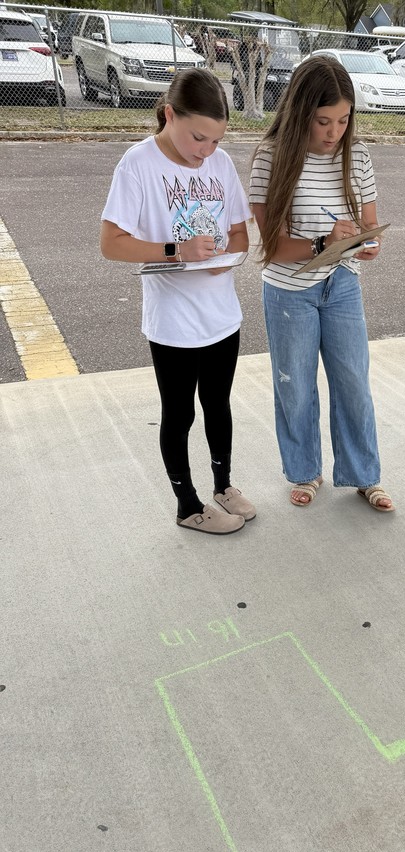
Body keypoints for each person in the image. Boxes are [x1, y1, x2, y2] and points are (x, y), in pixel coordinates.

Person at [100, 68, 256, 535]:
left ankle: (222, 486)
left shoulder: (220, 163)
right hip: (173, 323)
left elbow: (239, 233)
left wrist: (224, 257)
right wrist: (177, 249)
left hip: (222, 317)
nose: (205, 151)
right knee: (181, 413)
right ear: (169, 115)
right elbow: (112, 243)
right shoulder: (138, 163)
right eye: (197, 138)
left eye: (214, 140)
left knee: (219, 404)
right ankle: (187, 505)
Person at [249, 55, 395, 512]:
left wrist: (367, 245)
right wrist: (319, 242)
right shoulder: (271, 158)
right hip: (288, 290)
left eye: (344, 120)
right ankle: (305, 472)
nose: (335, 132)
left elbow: (367, 227)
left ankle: (363, 475)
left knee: (353, 380)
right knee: (295, 385)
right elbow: (271, 246)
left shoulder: (359, 155)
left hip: (343, 284)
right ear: (300, 113)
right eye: (324, 121)